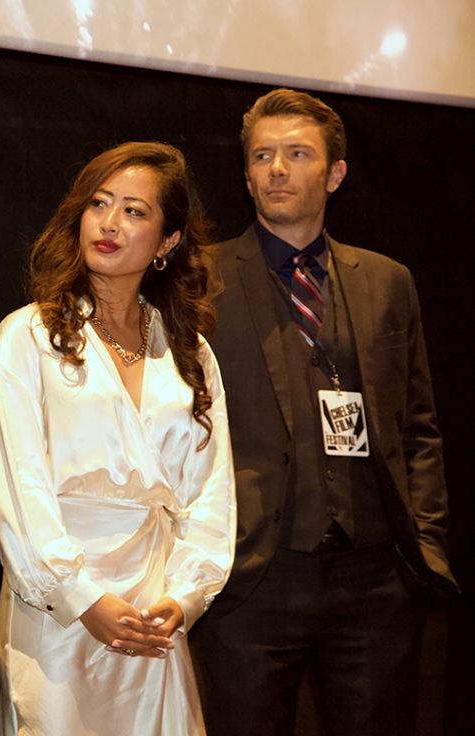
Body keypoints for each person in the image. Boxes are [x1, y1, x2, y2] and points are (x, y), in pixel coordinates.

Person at [190, 88, 458, 736]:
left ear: (335, 173)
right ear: (246, 174)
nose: (277, 168)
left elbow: (418, 426)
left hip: (375, 581)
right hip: (252, 580)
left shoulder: (387, 281)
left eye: (297, 153)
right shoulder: (201, 279)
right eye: (262, 155)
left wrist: (425, 543)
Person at [0, 141, 236, 735]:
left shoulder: (191, 352)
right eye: (100, 204)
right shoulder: (26, 337)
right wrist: (82, 598)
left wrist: (184, 597)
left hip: (153, 609)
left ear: (168, 241)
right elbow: (20, 489)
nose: (110, 223)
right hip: (58, 607)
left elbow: (211, 493)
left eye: (135, 211)